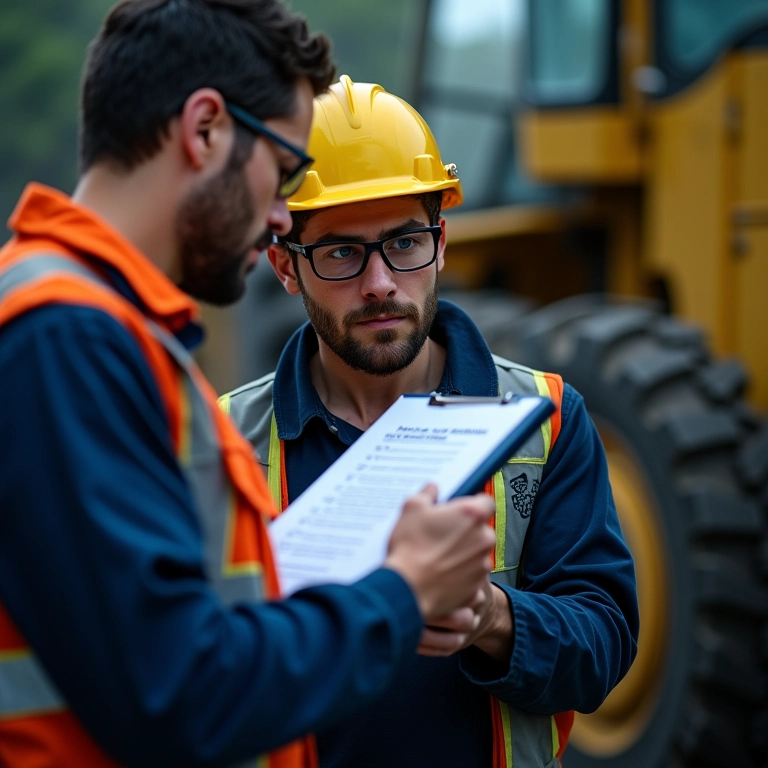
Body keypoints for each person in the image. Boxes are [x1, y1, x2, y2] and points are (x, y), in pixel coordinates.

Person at [0, 5, 500, 767]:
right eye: (285, 172)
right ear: (205, 130)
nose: (278, 218)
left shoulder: (105, 331)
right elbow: (181, 691)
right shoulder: (67, 338)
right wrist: (403, 591)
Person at [222, 76, 640, 768]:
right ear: (284, 267)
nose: (381, 282)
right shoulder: (223, 441)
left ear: (441, 242)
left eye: (405, 242)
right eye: (341, 252)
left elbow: (603, 646)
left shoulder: (548, 420)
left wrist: (491, 618)